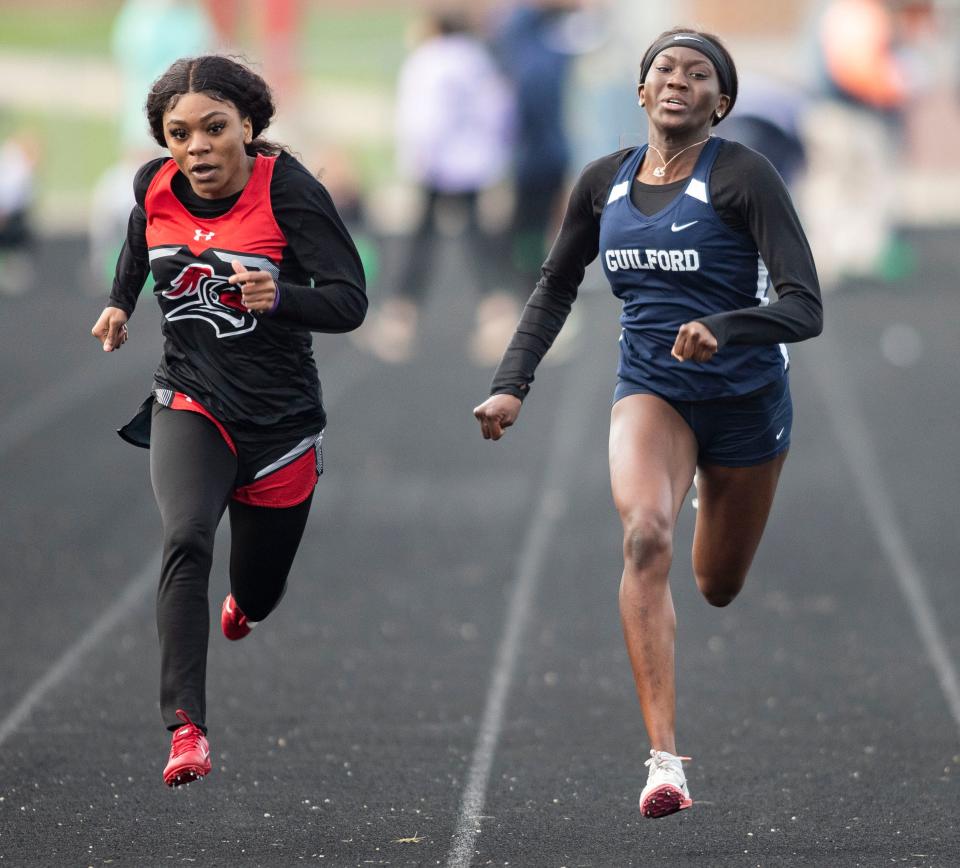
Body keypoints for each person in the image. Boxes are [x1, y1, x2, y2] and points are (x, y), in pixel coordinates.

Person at [473, 27, 823, 818]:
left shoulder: (743, 178)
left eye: (698, 74)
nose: (678, 80)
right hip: (653, 391)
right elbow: (556, 285)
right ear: (640, 92)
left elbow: (805, 305)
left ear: (719, 103)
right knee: (644, 537)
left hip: (745, 400)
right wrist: (511, 385)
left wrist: (725, 329)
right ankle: (666, 762)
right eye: (664, 69)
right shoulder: (602, 183)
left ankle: (708, 484)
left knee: (717, 585)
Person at [90, 55, 367, 787]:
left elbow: (349, 301)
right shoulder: (154, 186)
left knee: (259, 588)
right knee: (185, 537)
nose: (197, 147)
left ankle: (247, 602)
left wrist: (278, 296)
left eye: (214, 128)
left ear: (248, 125)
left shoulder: (291, 193)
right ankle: (186, 729)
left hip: (279, 428)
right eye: (178, 134)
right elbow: (137, 240)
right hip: (191, 401)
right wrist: (121, 301)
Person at [357, 10, 513, 364]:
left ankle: (400, 319)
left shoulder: (428, 61)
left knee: (422, 240)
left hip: (437, 164)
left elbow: (422, 118)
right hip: (473, 164)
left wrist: (417, 160)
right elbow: (499, 110)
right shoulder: (478, 59)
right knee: (478, 239)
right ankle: (497, 316)